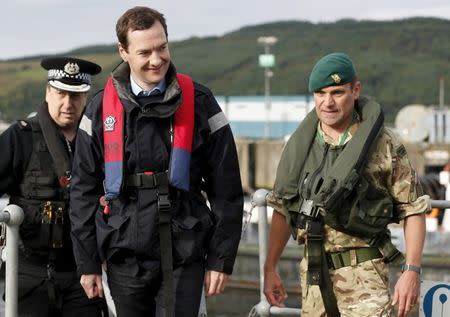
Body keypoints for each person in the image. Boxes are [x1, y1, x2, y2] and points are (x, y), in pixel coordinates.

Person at [69, 6, 243, 317]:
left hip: (184, 250)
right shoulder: (98, 111)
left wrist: (221, 258)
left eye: (162, 47)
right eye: (145, 51)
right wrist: (88, 263)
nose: (156, 59)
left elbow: (227, 190)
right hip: (124, 253)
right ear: (123, 52)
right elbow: (82, 191)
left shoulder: (201, 103)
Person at [263, 53, 428, 317]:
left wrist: (411, 271)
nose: (327, 102)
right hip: (313, 279)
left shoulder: (384, 144)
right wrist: (270, 267)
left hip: (365, 279)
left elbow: (414, 209)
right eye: (320, 93)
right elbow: (284, 208)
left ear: (356, 90)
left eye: (337, 92)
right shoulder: (301, 146)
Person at [0, 57, 105, 316]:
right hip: (28, 273)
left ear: (86, 97)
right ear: (48, 92)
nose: (68, 104)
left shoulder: (98, 141)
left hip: (82, 274)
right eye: (61, 94)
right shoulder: (20, 137)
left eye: (76, 96)